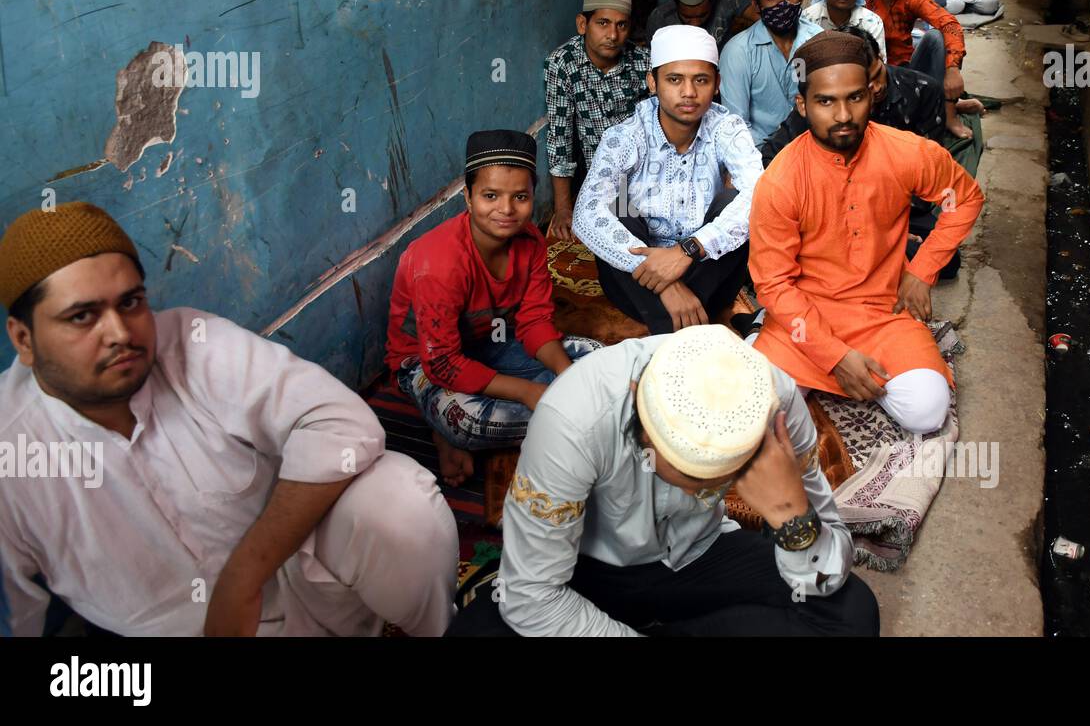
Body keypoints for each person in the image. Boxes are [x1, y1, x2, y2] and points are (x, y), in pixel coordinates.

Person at [0, 202, 459, 636]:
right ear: (23, 338)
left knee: (400, 504)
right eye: (82, 317)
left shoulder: (189, 341)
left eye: (130, 303)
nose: (120, 333)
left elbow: (344, 425)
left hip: (311, 587)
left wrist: (243, 577)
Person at [446, 325, 880, 636]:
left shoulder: (773, 403)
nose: (697, 493)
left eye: (716, 481)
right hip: (585, 572)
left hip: (699, 555)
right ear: (636, 399)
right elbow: (533, 595)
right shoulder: (572, 418)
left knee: (850, 613)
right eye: (684, 474)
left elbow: (829, 561)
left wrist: (793, 519)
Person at [748, 32, 984, 434]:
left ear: (872, 95)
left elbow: (963, 199)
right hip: (806, 318)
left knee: (927, 412)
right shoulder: (780, 181)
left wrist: (922, 270)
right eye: (826, 101)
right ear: (802, 105)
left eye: (854, 97)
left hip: (883, 313)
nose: (843, 115)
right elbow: (773, 284)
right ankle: (769, 337)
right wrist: (836, 357)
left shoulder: (905, 152)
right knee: (753, 408)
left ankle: (842, 373)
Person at [387, 131, 599, 485]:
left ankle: (572, 417)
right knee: (467, 422)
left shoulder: (530, 240)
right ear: (468, 198)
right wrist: (529, 392)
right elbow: (442, 362)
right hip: (424, 363)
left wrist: (568, 377)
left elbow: (533, 322)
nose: (506, 209)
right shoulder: (438, 263)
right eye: (490, 196)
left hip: (491, 343)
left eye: (520, 197)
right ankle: (588, 420)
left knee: (591, 355)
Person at [573, 26, 761, 335]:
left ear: (716, 85)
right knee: (618, 205)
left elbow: (761, 192)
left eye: (700, 80)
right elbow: (586, 214)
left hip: (706, 271)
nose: (688, 92)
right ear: (652, 83)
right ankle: (679, 323)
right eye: (675, 80)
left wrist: (689, 250)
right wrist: (665, 285)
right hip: (635, 283)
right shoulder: (625, 137)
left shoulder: (726, 128)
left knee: (739, 203)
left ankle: (670, 327)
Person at [545, 0, 650, 241]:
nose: (613, 35)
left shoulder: (644, 63)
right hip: (597, 180)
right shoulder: (563, 65)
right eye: (602, 23)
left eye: (621, 25)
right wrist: (562, 208)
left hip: (643, 173)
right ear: (583, 24)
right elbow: (560, 139)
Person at [864, 0, 975, 139]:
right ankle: (945, 102)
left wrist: (952, 69)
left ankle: (948, 113)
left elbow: (949, 24)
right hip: (871, 77)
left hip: (906, 72)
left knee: (935, 38)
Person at [719, 0, 821, 147]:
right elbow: (736, 126)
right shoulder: (738, 51)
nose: (782, 4)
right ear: (757, 5)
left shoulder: (818, 40)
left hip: (815, 147)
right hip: (760, 154)